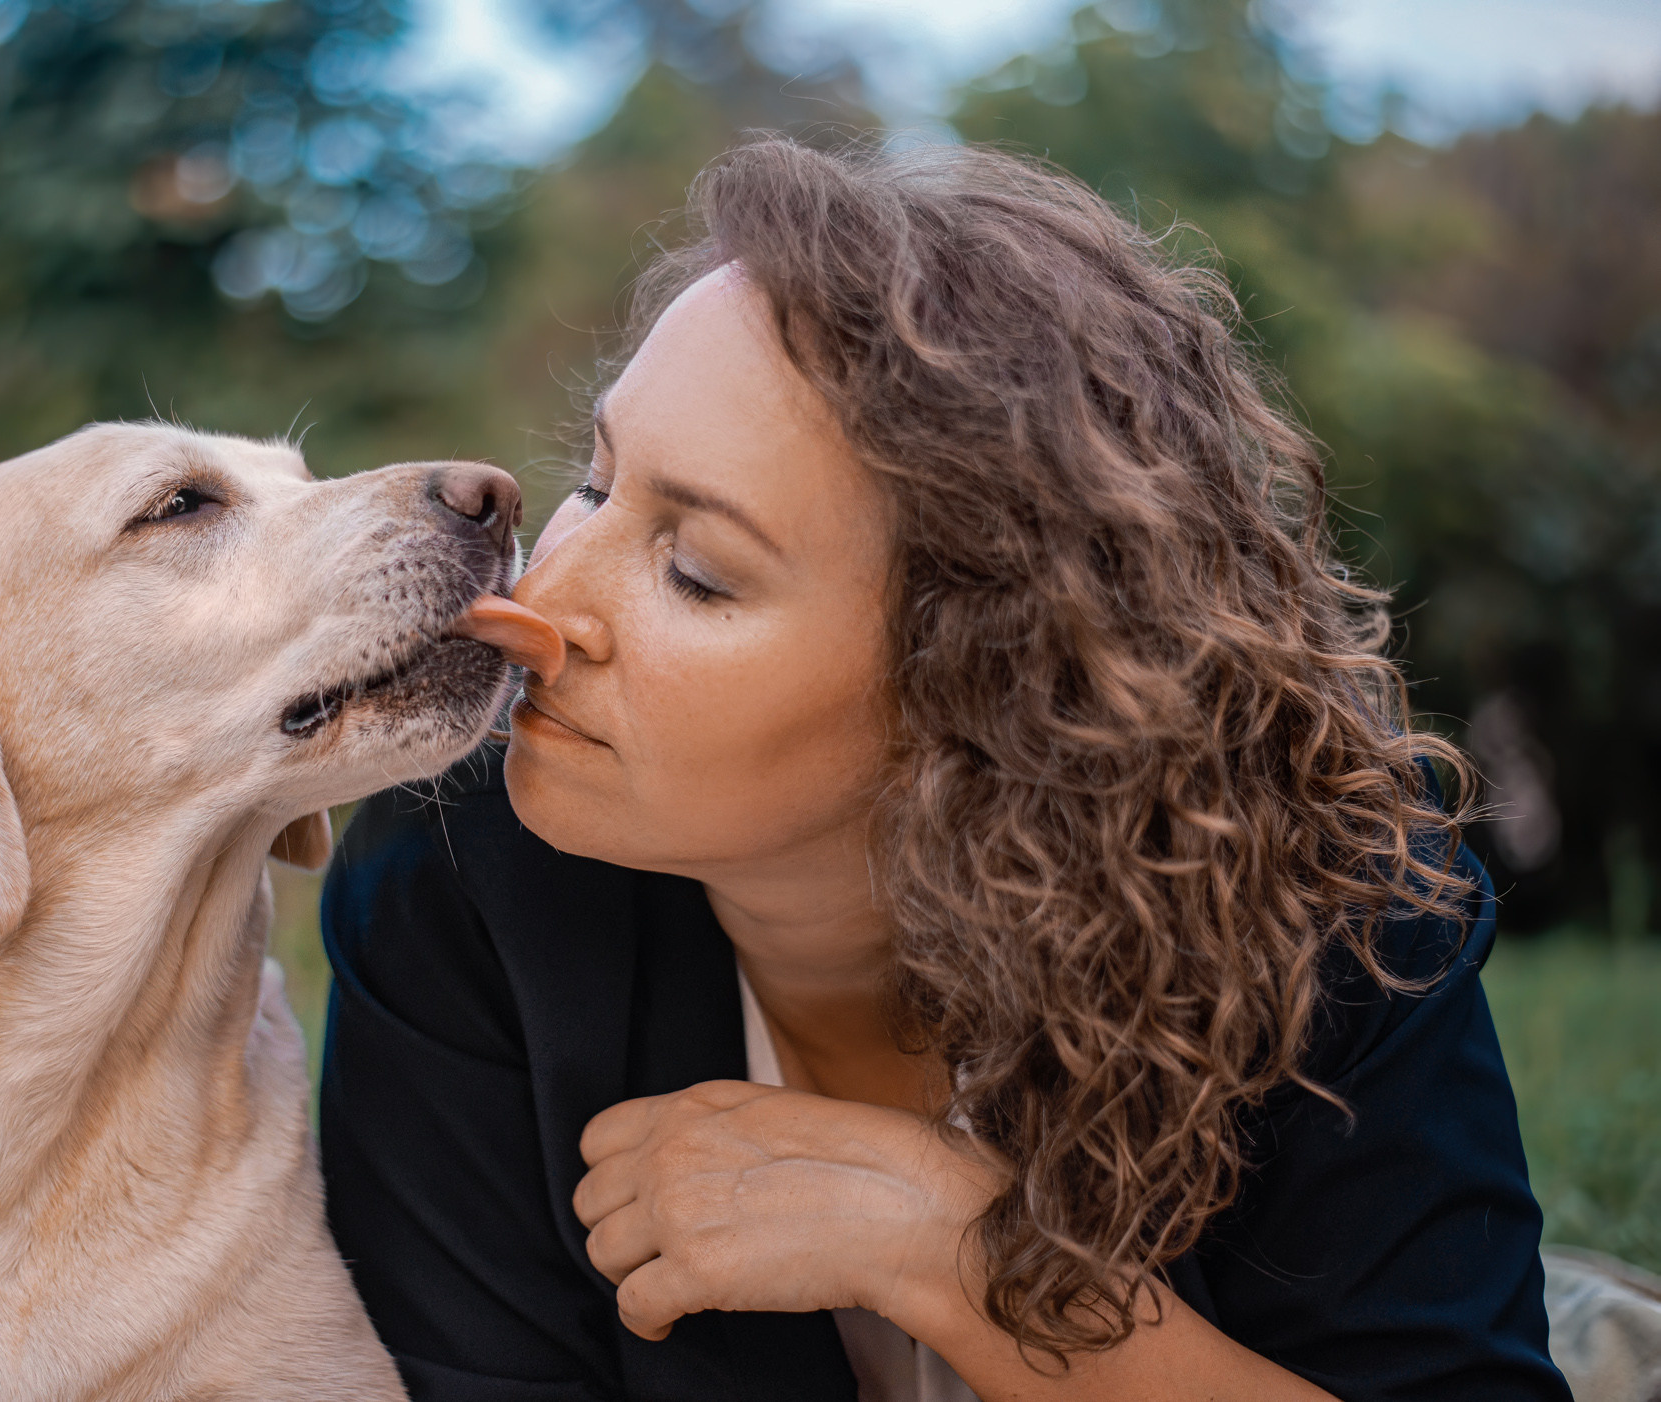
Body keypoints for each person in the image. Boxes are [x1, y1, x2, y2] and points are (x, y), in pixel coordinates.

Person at [316, 138, 1571, 1402]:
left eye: (697, 570)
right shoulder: (453, 868)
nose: (540, 600)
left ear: (988, 693)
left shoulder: (1328, 906)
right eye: (594, 484)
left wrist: (957, 1261)